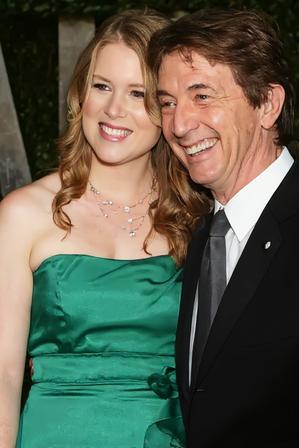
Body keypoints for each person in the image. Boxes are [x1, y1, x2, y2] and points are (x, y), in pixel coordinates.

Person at [148, 9, 299, 447]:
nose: (179, 124)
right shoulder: (197, 231)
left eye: (201, 95)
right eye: (168, 102)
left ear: (267, 104)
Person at [0, 10, 209, 447]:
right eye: (102, 86)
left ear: (167, 109)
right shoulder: (22, 214)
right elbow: (3, 374)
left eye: (138, 93)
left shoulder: (199, 222)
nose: (115, 109)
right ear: (81, 95)